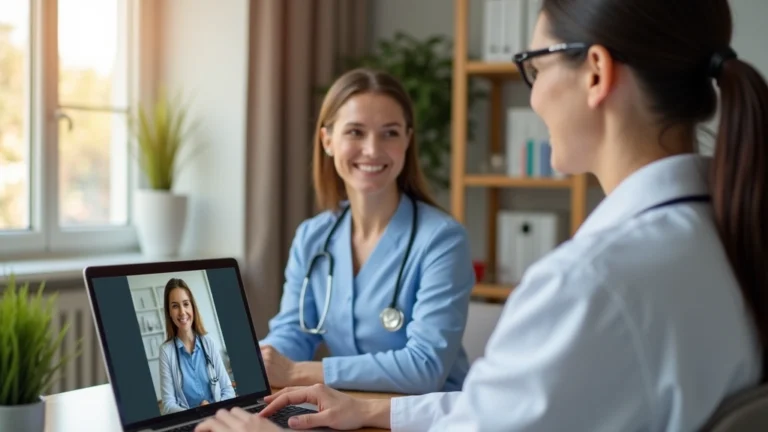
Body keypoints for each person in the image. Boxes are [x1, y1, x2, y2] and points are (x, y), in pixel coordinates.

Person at [194, 0, 768, 430]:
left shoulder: (586, 284)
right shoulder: (729, 234)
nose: (534, 96)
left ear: (595, 72)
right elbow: (494, 413)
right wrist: (366, 406)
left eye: (535, 67)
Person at [257, 67, 475, 395]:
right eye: (356, 132)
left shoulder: (442, 240)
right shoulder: (313, 237)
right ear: (327, 140)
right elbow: (294, 333)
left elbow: (425, 367)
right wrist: (255, 363)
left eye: (390, 133)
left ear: (407, 141)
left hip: (426, 418)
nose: (372, 149)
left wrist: (297, 372)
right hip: (348, 412)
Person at [158, 278, 236, 414]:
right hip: (190, 421)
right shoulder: (166, 352)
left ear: (192, 307)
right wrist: (197, 412)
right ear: (169, 312)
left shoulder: (209, 343)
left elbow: (227, 390)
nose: (182, 312)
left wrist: (213, 409)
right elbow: (168, 404)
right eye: (175, 306)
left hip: (219, 415)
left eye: (186, 304)